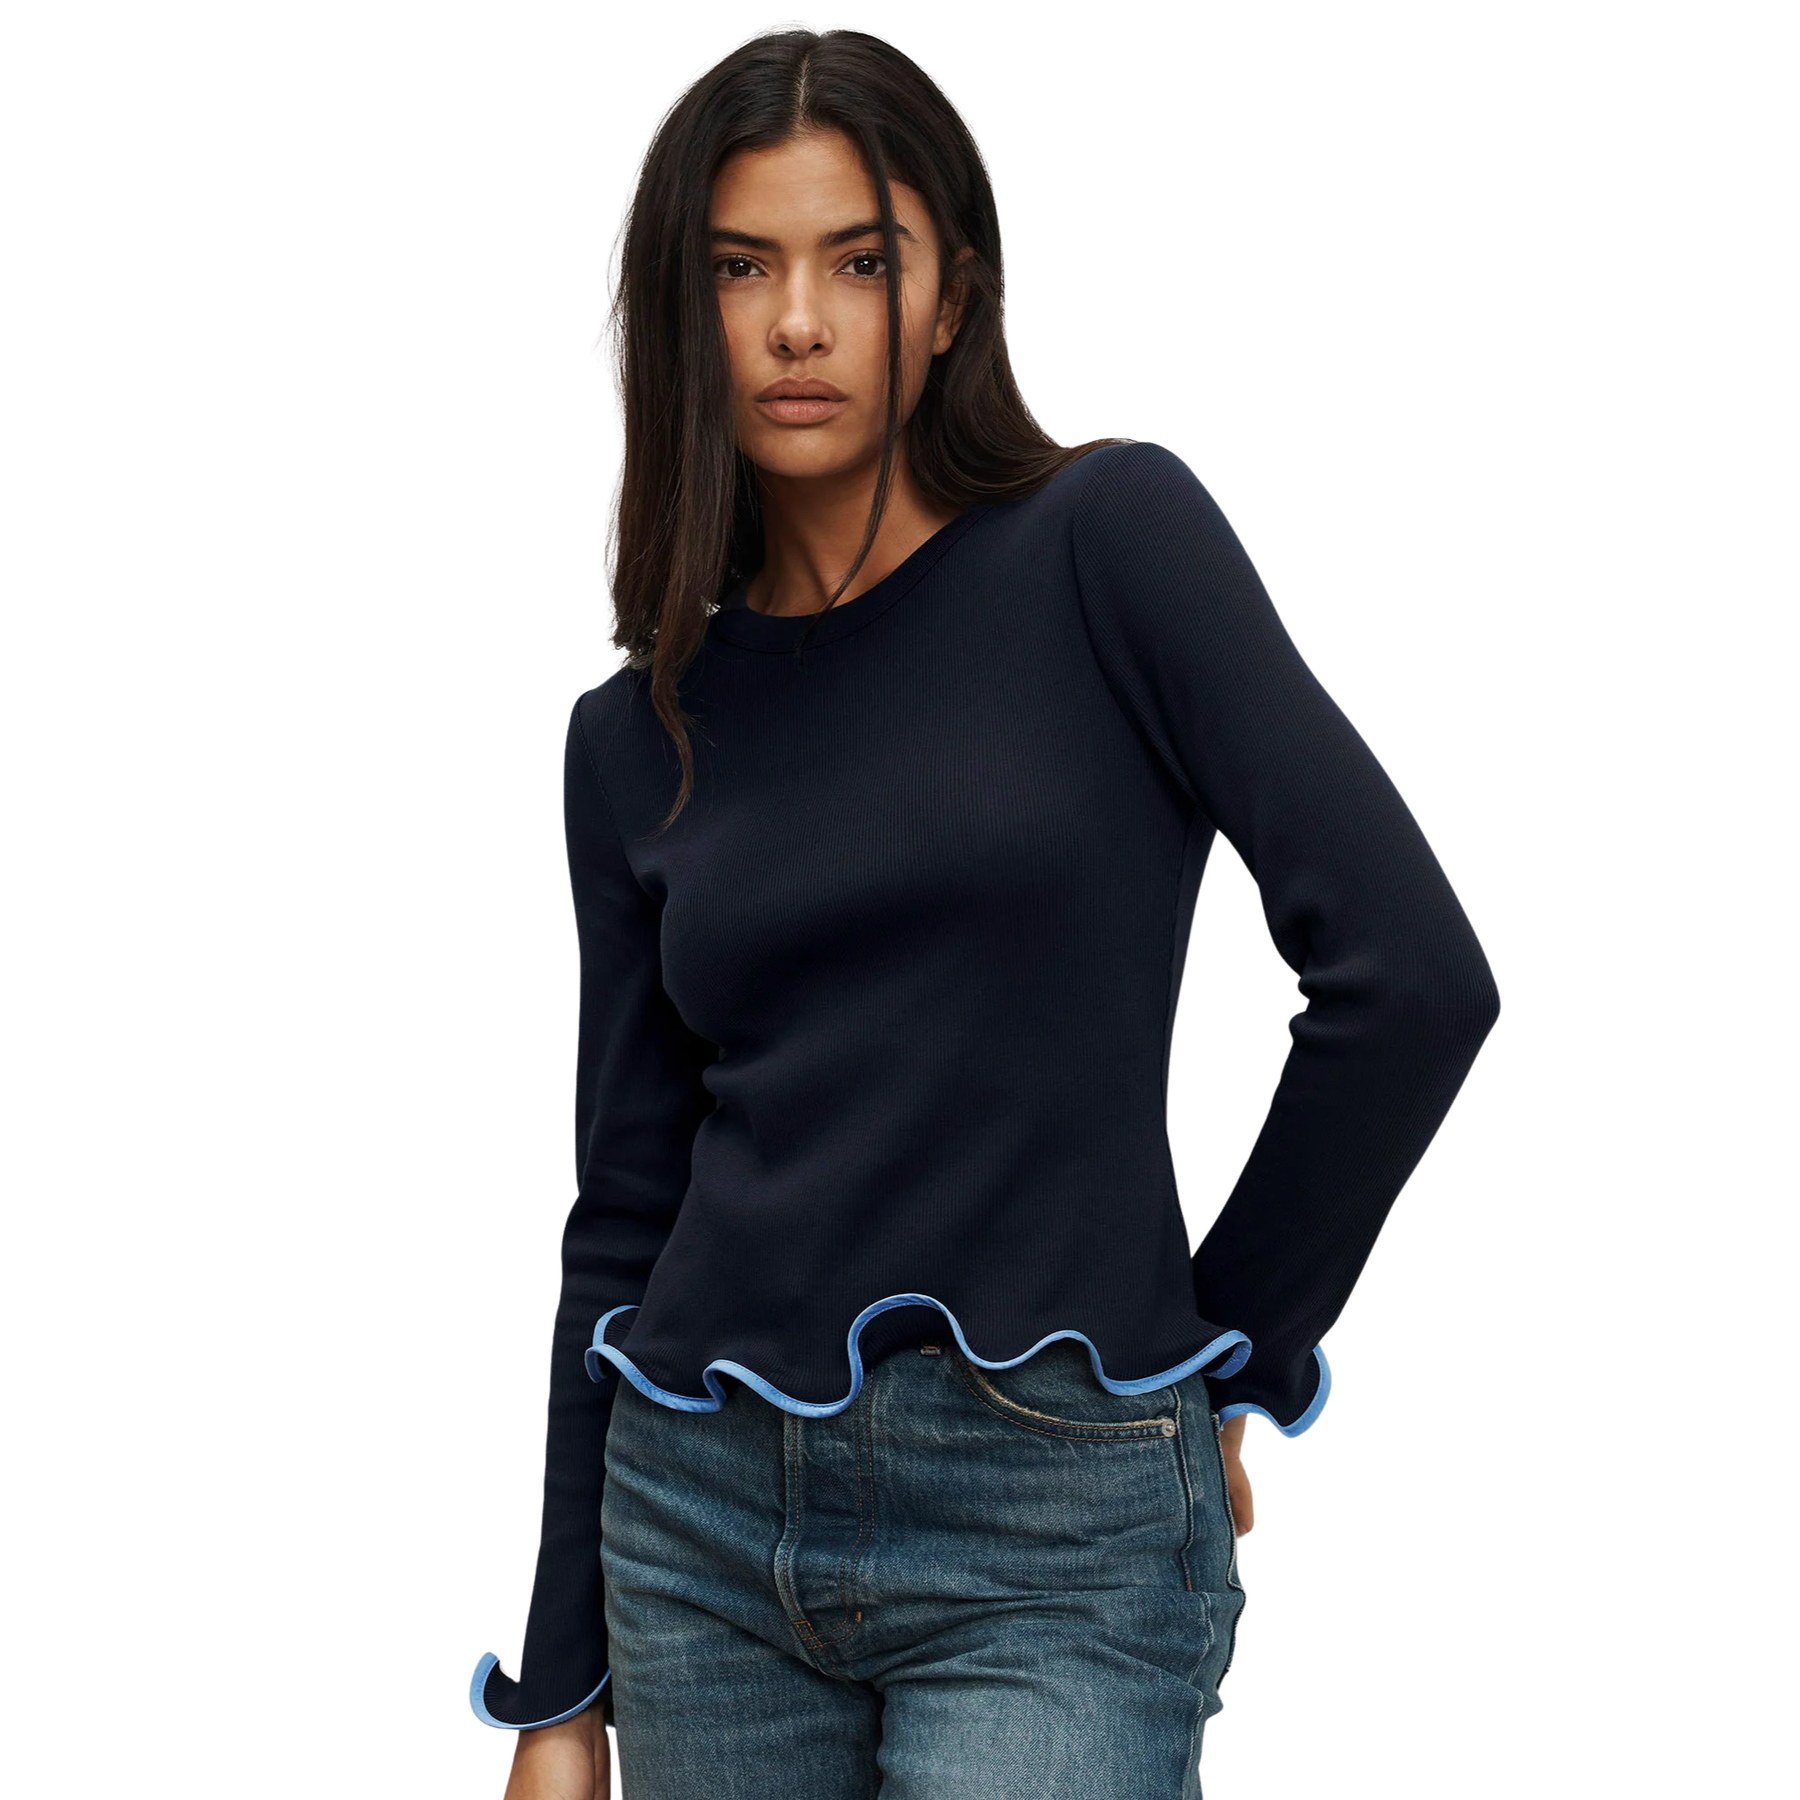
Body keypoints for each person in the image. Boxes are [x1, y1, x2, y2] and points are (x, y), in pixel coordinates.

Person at [472, 27, 1499, 1800]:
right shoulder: (632, 738)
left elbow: (1411, 979)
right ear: (683, 315)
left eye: (859, 262)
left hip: (1055, 1536)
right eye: (741, 268)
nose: (799, 323)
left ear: (952, 297)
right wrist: (560, 1691)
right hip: (696, 1534)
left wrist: (1218, 1360)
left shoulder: (1108, 542)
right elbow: (626, 1214)